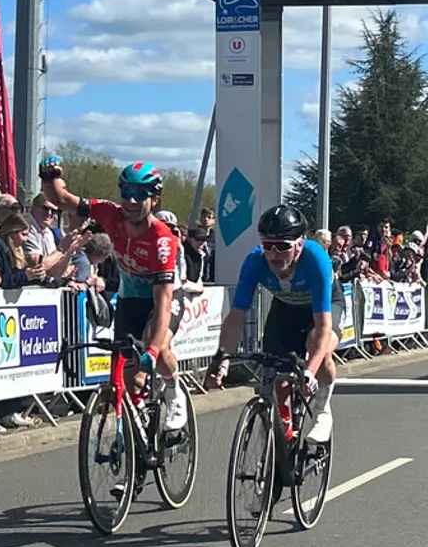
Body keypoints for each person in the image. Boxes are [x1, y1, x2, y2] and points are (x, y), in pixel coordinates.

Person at [37, 156, 187, 432]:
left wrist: (152, 351)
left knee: (159, 344)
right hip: (131, 298)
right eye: (126, 192)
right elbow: (62, 200)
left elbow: (163, 300)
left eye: (140, 194)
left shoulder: (162, 239)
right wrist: (49, 177)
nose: (131, 201)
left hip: (163, 298)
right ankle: (139, 425)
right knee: (131, 380)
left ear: (154, 199)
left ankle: (173, 388)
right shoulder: (109, 213)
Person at [206, 205, 342, 444]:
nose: (275, 253)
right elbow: (235, 317)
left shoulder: (316, 260)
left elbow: (322, 328)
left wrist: (310, 372)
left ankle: (322, 410)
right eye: (268, 245)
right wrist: (222, 357)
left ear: (299, 245)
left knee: (319, 345)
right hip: (285, 309)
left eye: (283, 246)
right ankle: (284, 435)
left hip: (322, 308)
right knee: (277, 371)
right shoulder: (255, 261)